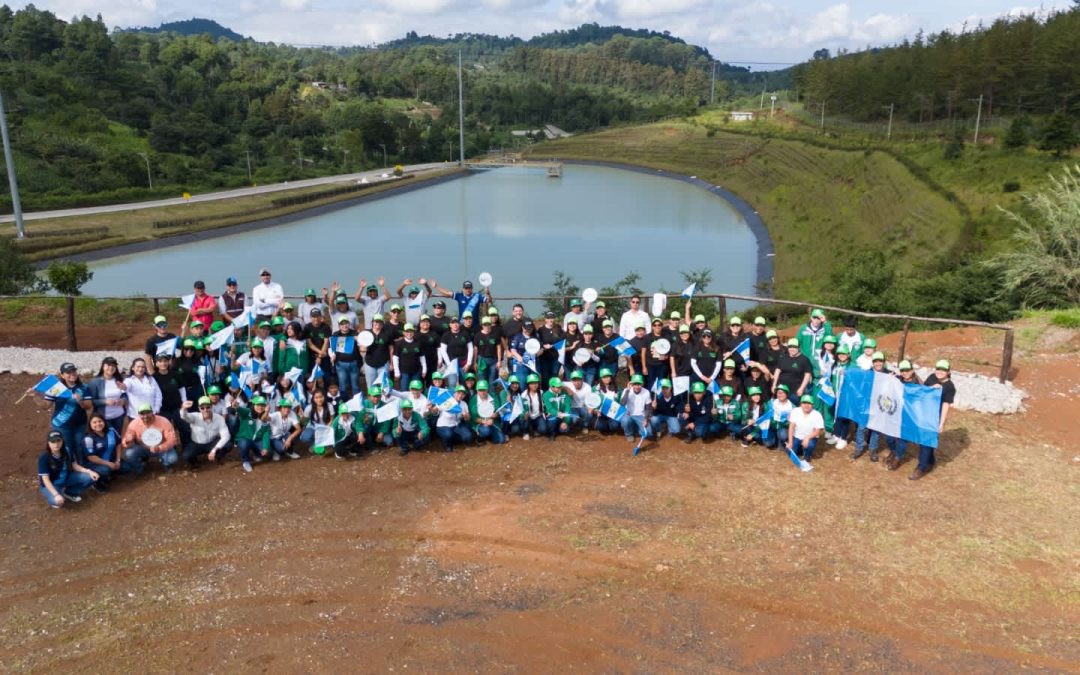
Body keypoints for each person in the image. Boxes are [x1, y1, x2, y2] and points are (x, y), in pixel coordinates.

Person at [33, 362, 93, 464]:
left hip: (80, 425)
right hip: (61, 425)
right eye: (68, 372)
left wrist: (80, 401)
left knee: (80, 446)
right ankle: (67, 470)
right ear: (62, 375)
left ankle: (82, 468)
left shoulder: (83, 387)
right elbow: (46, 405)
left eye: (73, 371)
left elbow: (89, 406)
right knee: (67, 448)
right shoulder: (56, 388)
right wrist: (34, 396)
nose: (72, 374)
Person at [909, 359, 956, 480]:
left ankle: (921, 468)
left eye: (943, 370)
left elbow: (946, 405)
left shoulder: (950, 387)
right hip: (924, 414)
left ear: (948, 371)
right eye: (938, 369)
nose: (939, 372)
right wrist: (931, 388)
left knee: (925, 442)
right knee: (925, 441)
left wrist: (941, 423)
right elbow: (922, 392)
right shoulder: (931, 378)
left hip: (935, 417)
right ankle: (930, 462)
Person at [38, 430, 97, 508]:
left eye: (58, 440)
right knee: (57, 502)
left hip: (66, 478)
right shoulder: (44, 457)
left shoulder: (67, 450)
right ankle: (55, 495)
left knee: (90, 477)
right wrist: (56, 494)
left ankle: (70, 492)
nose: (56, 444)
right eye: (52, 441)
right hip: (52, 483)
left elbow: (74, 465)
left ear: (62, 441)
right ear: (48, 443)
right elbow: (45, 479)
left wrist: (89, 471)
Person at [122, 404, 180, 473]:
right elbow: (126, 439)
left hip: (161, 448)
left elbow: (172, 440)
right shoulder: (134, 424)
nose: (145, 416)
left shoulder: (164, 421)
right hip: (143, 448)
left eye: (148, 413)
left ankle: (166, 464)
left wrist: (159, 448)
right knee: (129, 453)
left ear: (152, 412)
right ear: (138, 414)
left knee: (173, 458)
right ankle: (140, 467)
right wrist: (127, 441)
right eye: (142, 414)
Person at [853, 352, 890, 462]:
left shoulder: (889, 375)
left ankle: (873, 449)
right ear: (872, 363)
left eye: (880, 361)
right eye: (876, 361)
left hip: (880, 406)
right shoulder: (866, 374)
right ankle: (859, 448)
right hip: (866, 405)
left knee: (876, 429)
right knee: (861, 427)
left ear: (883, 362)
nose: (878, 363)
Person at [82, 413, 131, 491]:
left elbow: (118, 444)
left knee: (127, 468)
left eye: (100, 421)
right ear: (90, 425)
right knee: (106, 470)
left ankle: (111, 474)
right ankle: (97, 482)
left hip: (112, 460)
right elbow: (91, 457)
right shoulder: (88, 438)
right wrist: (108, 464)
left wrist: (117, 460)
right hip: (95, 464)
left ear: (104, 422)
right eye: (94, 422)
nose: (98, 424)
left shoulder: (111, 430)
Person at [180, 396, 231, 468]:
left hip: (211, 443)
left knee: (228, 445)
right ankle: (194, 463)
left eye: (208, 407)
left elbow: (226, 436)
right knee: (186, 455)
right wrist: (184, 408)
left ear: (211, 407)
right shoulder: (195, 416)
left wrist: (214, 450)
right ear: (199, 409)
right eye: (202, 408)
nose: (205, 410)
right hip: (197, 444)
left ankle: (219, 457)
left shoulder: (219, 418)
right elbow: (184, 416)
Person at [86, 356, 127, 435]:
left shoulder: (119, 380)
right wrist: (105, 401)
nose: (111, 367)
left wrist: (123, 400)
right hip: (103, 418)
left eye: (113, 366)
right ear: (103, 366)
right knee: (107, 440)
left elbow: (124, 394)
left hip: (119, 416)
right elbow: (91, 402)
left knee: (117, 438)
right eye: (108, 365)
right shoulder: (95, 382)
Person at [232, 396, 270, 472]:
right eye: (258, 405)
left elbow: (266, 433)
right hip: (244, 439)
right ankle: (245, 461)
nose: (260, 407)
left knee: (268, 451)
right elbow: (240, 410)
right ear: (253, 405)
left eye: (262, 405)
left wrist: (265, 447)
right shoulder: (247, 412)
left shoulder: (266, 418)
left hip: (256, 440)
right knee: (244, 444)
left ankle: (257, 454)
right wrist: (236, 406)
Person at [328, 318, 361, 402]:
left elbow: (362, 344)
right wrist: (332, 355)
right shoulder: (335, 335)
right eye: (342, 324)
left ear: (349, 324)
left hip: (354, 363)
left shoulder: (354, 333)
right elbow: (331, 348)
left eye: (346, 323)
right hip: (340, 364)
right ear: (339, 326)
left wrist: (358, 338)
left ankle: (358, 403)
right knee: (342, 386)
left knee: (355, 385)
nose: (344, 326)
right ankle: (344, 403)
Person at [362, 314, 394, 392]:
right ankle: (372, 403)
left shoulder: (387, 333)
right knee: (371, 386)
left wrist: (391, 363)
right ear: (372, 322)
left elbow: (391, 349)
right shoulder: (366, 333)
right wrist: (363, 348)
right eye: (376, 321)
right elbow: (361, 347)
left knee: (385, 387)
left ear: (382, 323)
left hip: (383, 364)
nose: (378, 324)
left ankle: (385, 403)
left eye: (380, 322)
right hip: (370, 364)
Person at [787, 394, 824, 463]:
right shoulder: (795, 411)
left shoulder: (817, 414)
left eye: (809, 403)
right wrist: (790, 441)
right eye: (804, 403)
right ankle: (800, 449)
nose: (806, 405)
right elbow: (791, 427)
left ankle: (807, 456)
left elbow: (817, 431)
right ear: (800, 404)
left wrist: (807, 438)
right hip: (797, 436)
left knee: (810, 445)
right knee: (790, 454)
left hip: (810, 438)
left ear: (812, 405)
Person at [435, 386, 473, 451]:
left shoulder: (463, 404)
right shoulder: (446, 401)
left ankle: (451, 440)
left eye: (463, 394)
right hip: (443, 426)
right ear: (454, 393)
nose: (460, 395)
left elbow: (468, 419)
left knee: (468, 437)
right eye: (458, 393)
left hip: (456, 426)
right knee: (448, 435)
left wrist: (466, 415)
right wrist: (431, 408)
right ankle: (447, 442)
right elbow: (435, 411)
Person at [438, 316, 473, 388]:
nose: (455, 325)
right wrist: (449, 364)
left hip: (463, 362)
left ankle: (464, 399)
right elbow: (443, 351)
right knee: (452, 383)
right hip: (451, 363)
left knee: (464, 383)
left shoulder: (465, 334)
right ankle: (453, 399)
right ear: (450, 325)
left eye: (457, 323)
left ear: (459, 324)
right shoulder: (446, 335)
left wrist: (469, 363)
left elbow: (470, 348)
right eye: (453, 323)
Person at [470, 380, 507, 444]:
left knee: (501, 440)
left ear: (487, 390)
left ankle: (489, 436)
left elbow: (499, 411)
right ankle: (479, 439)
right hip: (480, 423)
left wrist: (496, 415)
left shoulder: (493, 397)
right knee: (485, 431)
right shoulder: (473, 400)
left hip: (492, 422)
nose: (482, 392)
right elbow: (473, 417)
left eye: (484, 390)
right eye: (480, 390)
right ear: (477, 390)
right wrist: (484, 421)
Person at [620, 374, 652, 444]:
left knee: (648, 433)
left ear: (642, 384)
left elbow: (648, 407)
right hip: (629, 414)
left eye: (639, 384)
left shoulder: (646, 392)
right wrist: (628, 391)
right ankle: (629, 434)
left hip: (641, 416)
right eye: (635, 384)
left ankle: (636, 428)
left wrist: (646, 419)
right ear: (631, 384)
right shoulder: (626, 390)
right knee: (625, 420)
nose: (637, 386)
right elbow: (622, 403)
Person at [591, 368, 622, 435]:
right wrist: (595, 411)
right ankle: (605, 427)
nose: (607, 379)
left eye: (608, 376)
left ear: (611, 377)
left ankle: (610, 426)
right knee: (600, 426)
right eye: (604, 377)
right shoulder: (595, 389)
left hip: (613, 414)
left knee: (614, 426)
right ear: (601, 378)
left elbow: (620, 403)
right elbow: (592, 403)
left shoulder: (617, 388)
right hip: (601, 414)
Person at [765, 385, 794, 450]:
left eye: (782, 393)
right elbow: (766, 417)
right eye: (778, 393)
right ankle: (774, 439)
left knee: (783, 435)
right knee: (768, 444)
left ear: (786, 394)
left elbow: (794, 424)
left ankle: (781, 441)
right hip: (771, 427)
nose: (780, 395)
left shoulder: (792, 407)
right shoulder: (771, 403)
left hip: (782, 428)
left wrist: (788, 421)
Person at [520, 373, 545, 440]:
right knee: (524, 420)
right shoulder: (524, 395)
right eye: (532, 383)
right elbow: (521, 407)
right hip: (528, 417)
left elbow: (545, 405)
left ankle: (535, 429)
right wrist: (523, 414)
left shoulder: (541, 393)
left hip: (538, 416)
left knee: (543, 430)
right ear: (528, 385)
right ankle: (525, 432)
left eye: (536, 383)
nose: (534, 385)